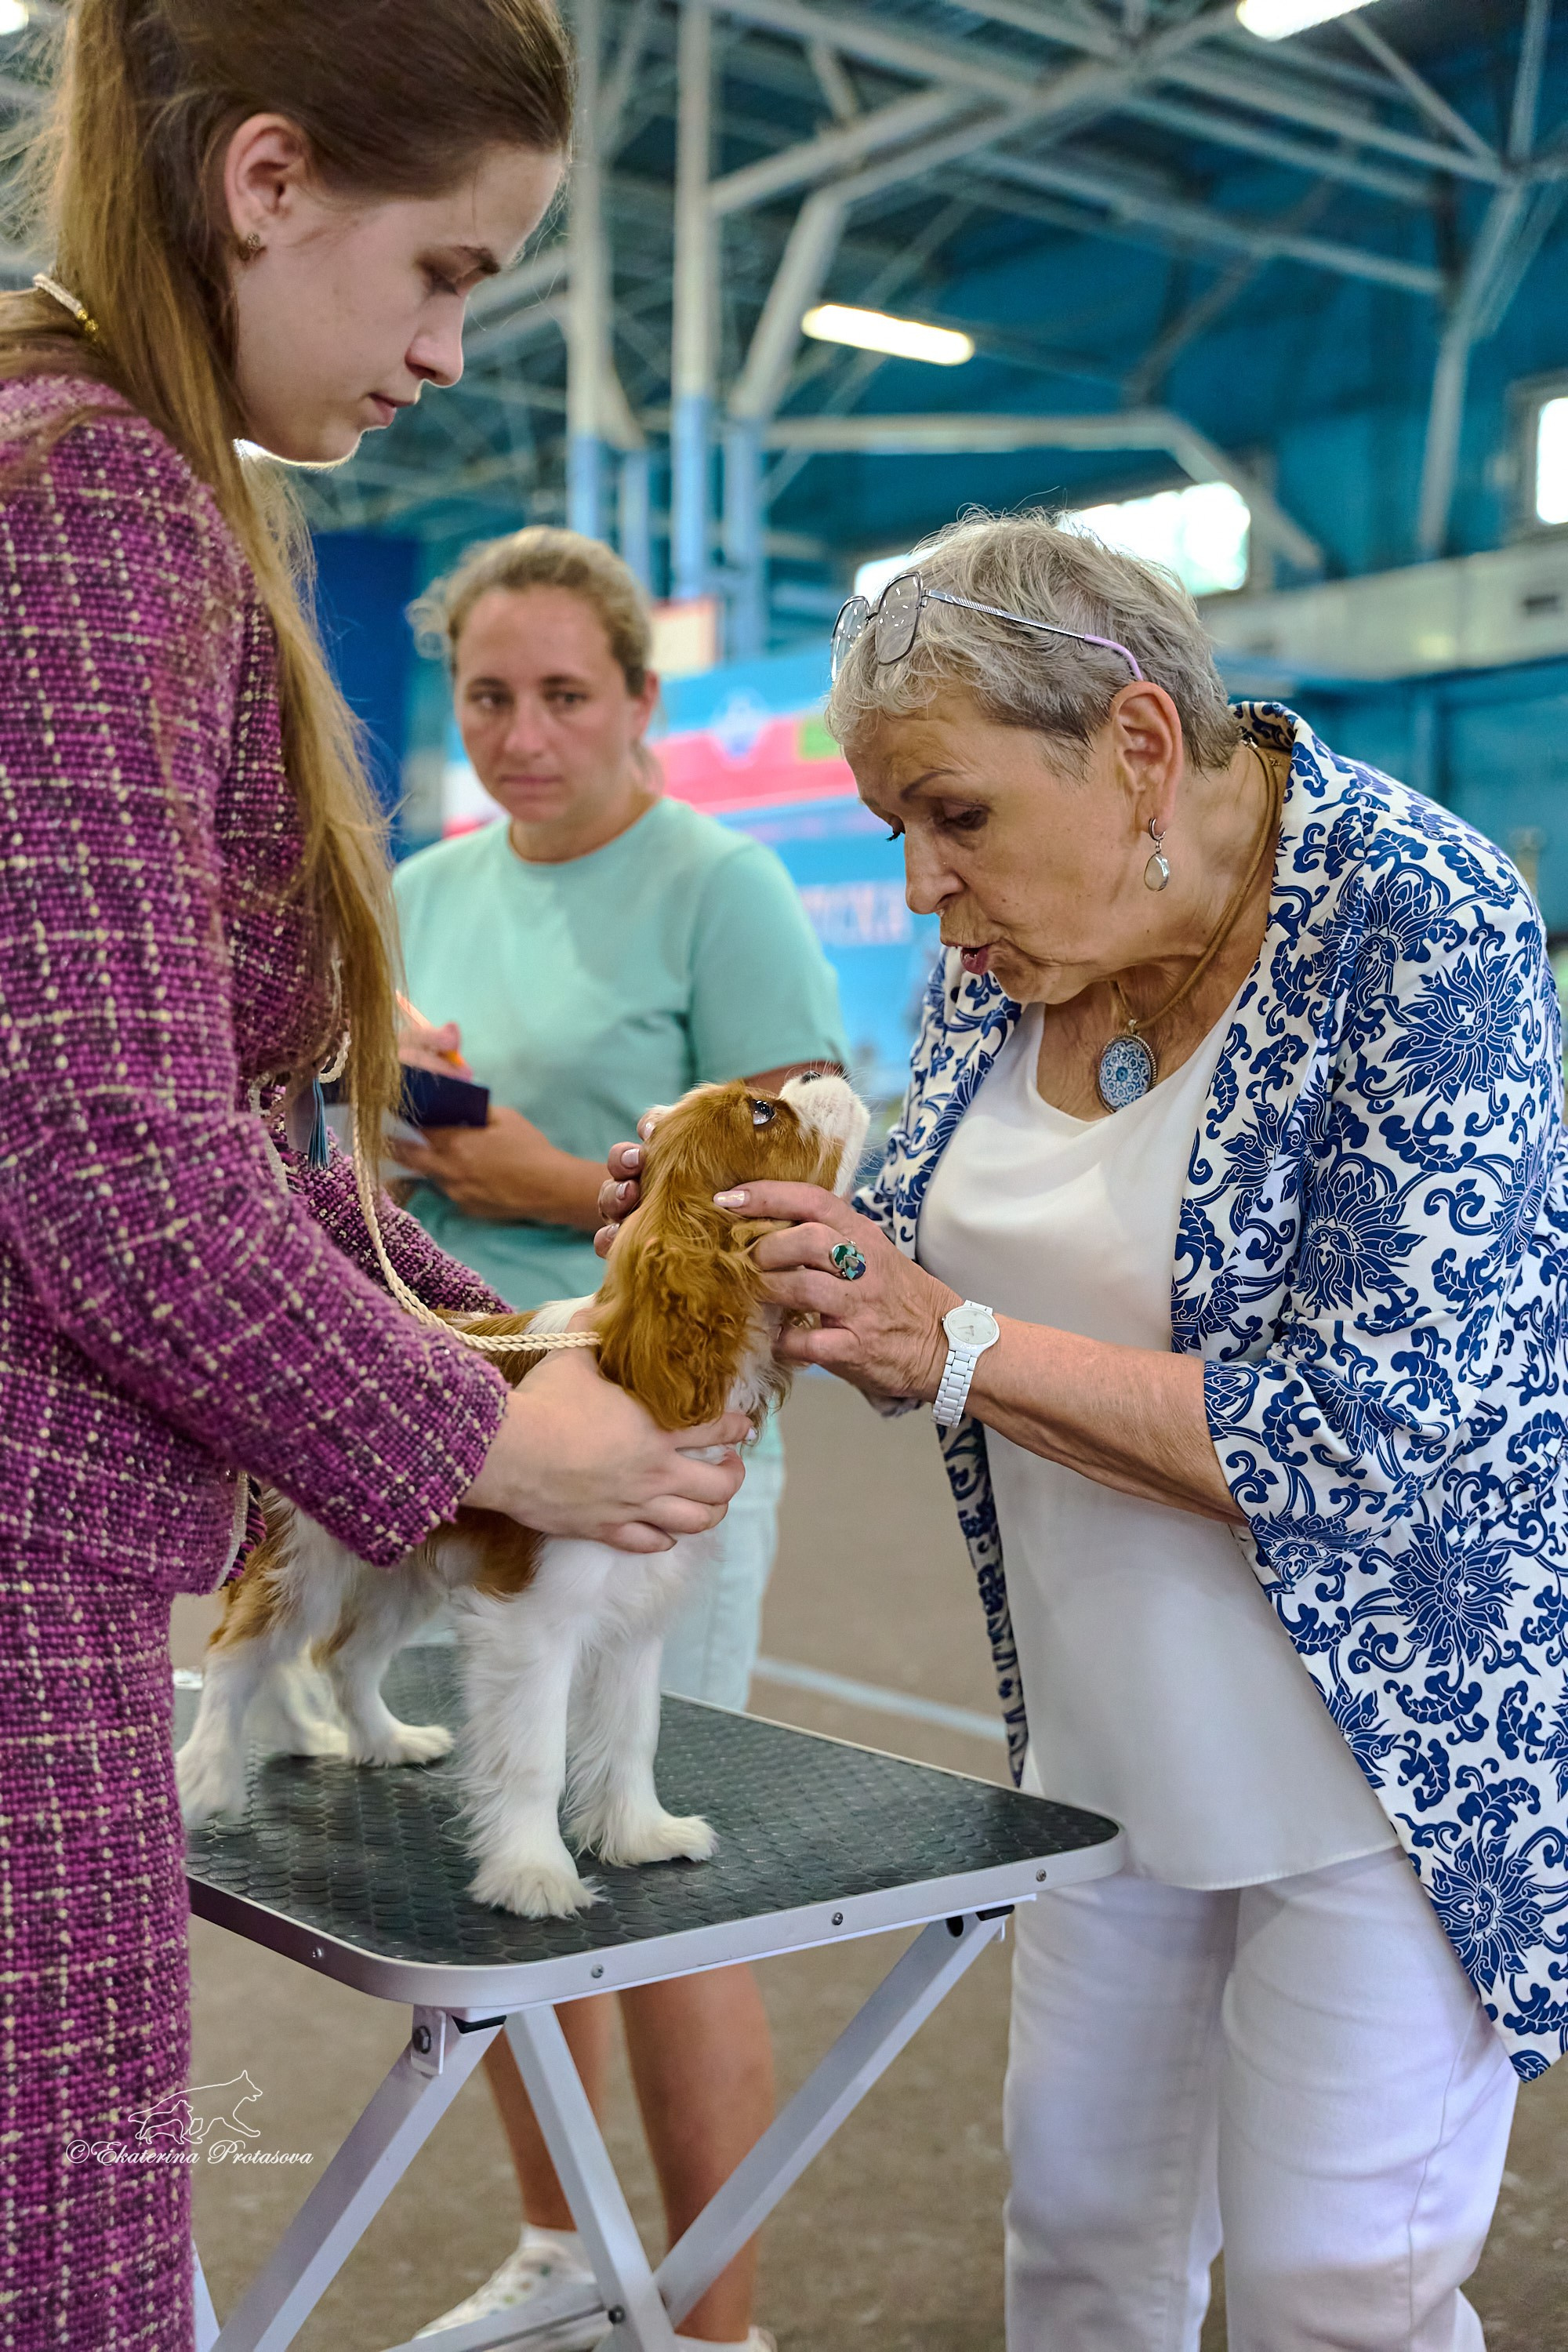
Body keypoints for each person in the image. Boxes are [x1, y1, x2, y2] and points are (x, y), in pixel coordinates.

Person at [601, 513, 1568, 2350]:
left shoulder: (1418, 918)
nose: (916, 889)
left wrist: (947, 1341)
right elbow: (944, 1220)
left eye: (950, 818)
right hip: (1100, 1733)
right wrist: (760, 1216)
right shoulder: (1012, 944)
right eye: (893, 830)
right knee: (1079, 2260)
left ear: (1136, 745)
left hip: (1381, 1759)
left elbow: (1370, 1437)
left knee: (1334, 2293)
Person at [0, 10, 755, 2347]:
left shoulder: (102, 470)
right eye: (442, 269)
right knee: (75, 2270)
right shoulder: (93, 495)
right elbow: (107, 1149)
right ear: (265, 181)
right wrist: (503, 1428)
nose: (447, 349)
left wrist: (477, 1325)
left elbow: (226, 1130)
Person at [391, 527, 846, 2350]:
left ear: (642, 704)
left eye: (564, 695)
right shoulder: (421, 887)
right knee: (505, 1870)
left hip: (664, 1434)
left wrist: (535, 1172)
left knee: (665, 1881)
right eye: (488, 696)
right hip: (462, 1424)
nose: (522, 734)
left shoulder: (719, 886)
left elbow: (799, 1185)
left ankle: (717, 2319)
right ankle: (566, 2249)